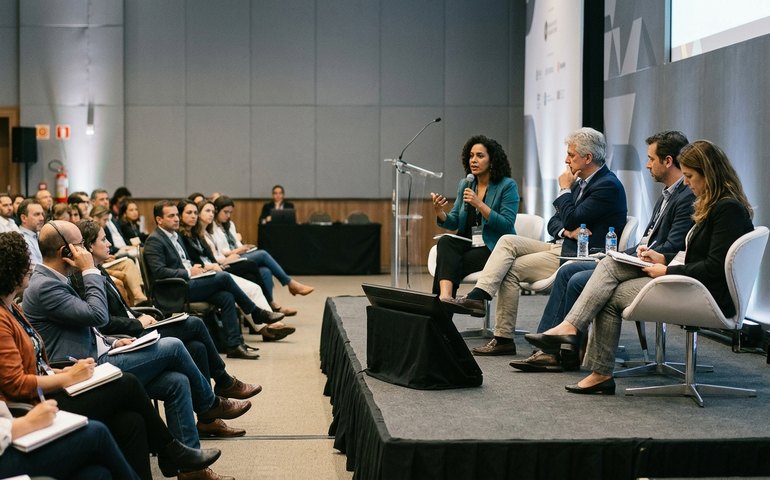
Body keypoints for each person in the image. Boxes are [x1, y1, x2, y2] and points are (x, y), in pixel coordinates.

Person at [21, 221, 250, 479]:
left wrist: (112, 342)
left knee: (176, 381)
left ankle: (189, 468)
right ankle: (209, 407)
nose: (84, 250)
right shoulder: (47, 285)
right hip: (81, 369)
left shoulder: (55, 279)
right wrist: (89, 270)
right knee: (174, 346)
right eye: (80, 245)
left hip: (99, 355)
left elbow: (84, 326)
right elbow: (97, 316)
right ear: (65, 251)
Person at [528, 140, 754, 395]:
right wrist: (662, 258)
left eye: (690, 176)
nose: (686, 183)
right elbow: (696, 255)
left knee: (606, 284)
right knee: (609, 278)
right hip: (691, 282)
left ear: (708, 173)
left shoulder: (727, 209)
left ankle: (586, 351)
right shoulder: (715, 205)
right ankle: (590, 360)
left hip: (704, 293)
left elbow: (714, 267)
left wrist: (667, 270)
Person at [512, 130, 695, 372]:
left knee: (576, 277)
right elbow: (557, 222)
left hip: (655, 267)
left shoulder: (678, 196)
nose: (647, 165)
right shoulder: (667, 195)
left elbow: (671, 247)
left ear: (668, 161)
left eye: (651, 159)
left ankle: (557, 349)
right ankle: (557, 350)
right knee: (568, 272)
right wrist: (626, 253)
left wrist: (565, 192)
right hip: (627, 257)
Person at [444, 127, 628, 356]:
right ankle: (498, 330)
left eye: (571, 155)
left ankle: (488, 310)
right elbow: (555, 221)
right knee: (508, 242)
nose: (566, 160)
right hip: (563, 244)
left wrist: (564, 189)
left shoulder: (606, 185)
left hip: (582, 254)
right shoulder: (581, 183)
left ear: (588, 157)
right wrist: (566, 231)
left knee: (510, 267)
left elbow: (571, 218)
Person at [72, 219, 262, 438]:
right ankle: (222, 386)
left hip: (135, 327)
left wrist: (140, 316)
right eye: (103, 239)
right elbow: (101, 323)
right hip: (125, 337)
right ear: (89, 246)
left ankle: (207, 420)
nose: (108, 244)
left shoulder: (98, 269)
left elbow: (121, 310)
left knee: (197, 347)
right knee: (194, 324)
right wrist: (137, 323)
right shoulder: (82, 278)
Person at [144, 200, 263, 360]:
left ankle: (234, 345)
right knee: (223, 277)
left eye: (177, 215)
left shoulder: (175, 236)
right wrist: (189, 271)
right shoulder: (154, 240)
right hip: (174, 290)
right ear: (159, 220)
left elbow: (184, 261)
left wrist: (198, 268)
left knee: (226, 297)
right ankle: (254, 311)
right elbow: (159, 272)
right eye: (171, 216)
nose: (177, 219)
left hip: (187, 281)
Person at [177, 200, 293, 340]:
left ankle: (266, 327)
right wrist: (212, 266)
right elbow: (190, 263)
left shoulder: (196, 235)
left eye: (195, 212)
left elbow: (208, 258)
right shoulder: (181, 237)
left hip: (213, 271)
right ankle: (266, 326)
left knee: (255, 281)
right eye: (189, 213)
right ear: (180, 215)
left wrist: (215, 265)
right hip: (202, 276)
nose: (193, 216)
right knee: (251, 269)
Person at [430, 135, 519, 299]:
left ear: (492, 160)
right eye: (471, 156)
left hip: (493, 247)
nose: (474, 160)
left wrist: (479, 204)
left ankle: (443, 301)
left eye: (480, 156)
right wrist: (440, 212)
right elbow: (455, 221)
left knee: (448, 264)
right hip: (468, 243)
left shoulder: (507, 186)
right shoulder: (466, 184)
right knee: (445, 242)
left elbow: (507, 224)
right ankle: (446, 297)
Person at [212, 195, 314, 313]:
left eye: (230, 212)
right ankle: (290, 284)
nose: (228, 215)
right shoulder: (212, 227)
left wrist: (244, 248)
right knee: (263, 254)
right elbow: (219, 252)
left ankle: (269, 307)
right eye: (225, 212)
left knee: (266, 271)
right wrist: (236, 251)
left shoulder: (230, 224)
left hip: (239, 256)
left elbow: (236, 243)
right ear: (217, 210)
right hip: (228, 260)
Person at [0, 399, 140, 480]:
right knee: (97, 433)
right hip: (6, 445)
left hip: (9, 430)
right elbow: (18, 383)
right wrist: (28, 423)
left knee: (98, 474)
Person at [18, 199, 46, 265]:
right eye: (37, 214)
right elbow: (34, 268)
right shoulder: (21, 240)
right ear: (23, 218)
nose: (42, 218)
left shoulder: (40, 234)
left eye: (42, 214)